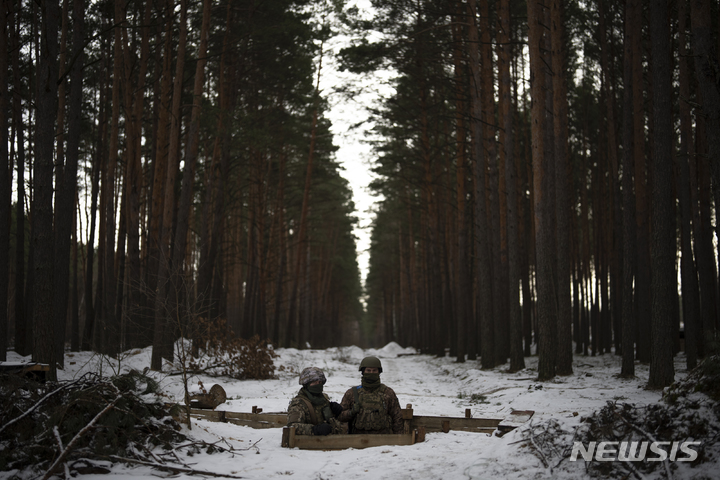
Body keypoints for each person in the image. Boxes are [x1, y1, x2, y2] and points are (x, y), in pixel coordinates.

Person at [338, 356, 404, 434]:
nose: (371, 373)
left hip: (384, 441)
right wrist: (351, 412)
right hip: (357, 440)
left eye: (374, 370)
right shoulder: (352, 393)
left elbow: (397, 418)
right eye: (368, 370)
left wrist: (398, 440)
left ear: (379, 372)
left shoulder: (387, 393)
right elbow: (340, 416)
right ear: (363, 372)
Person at [287, 367, 346, 436]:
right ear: (306, 384)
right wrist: (314, 430)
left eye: (320, 382)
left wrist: (335, 412)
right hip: (312, 444)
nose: (318, 385)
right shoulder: (299, 404)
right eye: (314, 382)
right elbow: (292, 427)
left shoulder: (324, 399)